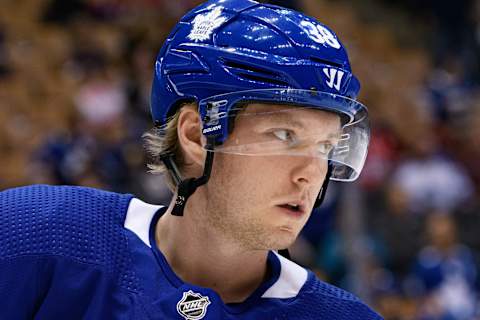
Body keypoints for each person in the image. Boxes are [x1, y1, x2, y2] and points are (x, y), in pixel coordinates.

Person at [0, 0, 382, 318]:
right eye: (285, 135)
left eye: (325, 146)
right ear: (196, 135)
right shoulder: (35, 235)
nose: (311, 174)